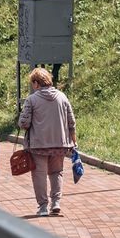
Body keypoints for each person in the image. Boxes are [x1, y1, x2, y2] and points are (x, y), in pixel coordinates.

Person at [17, 66, 77, 216]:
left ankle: (43, 207)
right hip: (60, 144)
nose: (33, 86)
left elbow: (24, 124)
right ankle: (56, 203)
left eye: (32, 83)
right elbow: (71, 122)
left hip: (39, 145)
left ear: (36, 83)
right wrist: (73, 140)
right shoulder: (62, 97)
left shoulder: (32, 99)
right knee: (57, 172)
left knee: (39, 174)